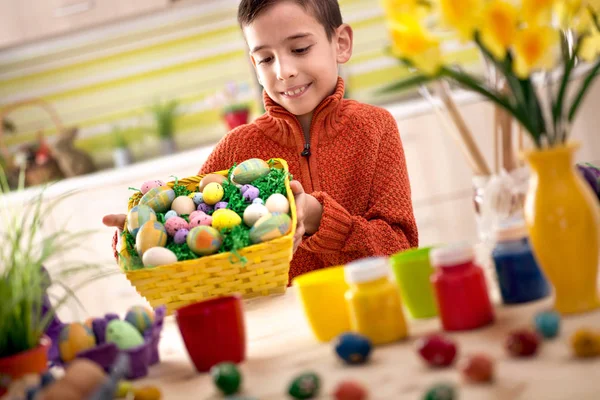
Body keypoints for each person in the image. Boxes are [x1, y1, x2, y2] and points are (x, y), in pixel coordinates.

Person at [103, 0, 418, 282]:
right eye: (266, 58)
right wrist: (136, 234)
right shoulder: (237, 148)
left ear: (341, 43)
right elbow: (189, 230)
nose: (284, 71)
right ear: (254, 66)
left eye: (299, 49)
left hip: (372, 302)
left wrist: (320, 218)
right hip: (277, 322)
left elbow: (402, 250)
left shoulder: (375, 128)